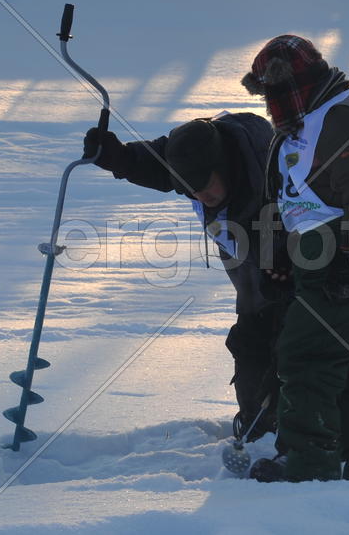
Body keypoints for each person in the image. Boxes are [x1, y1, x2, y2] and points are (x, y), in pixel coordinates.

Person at [240, 35, 349, 482]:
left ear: (289, 85)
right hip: (331, 257)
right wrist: (283, 248)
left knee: (305, 352)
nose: (267, 104)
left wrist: (347, 262)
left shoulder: (341, 118)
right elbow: (295, 195)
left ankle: (307, 463)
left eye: (270, 94)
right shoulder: (309, 118)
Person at [82, 112, 292, 441]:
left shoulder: (271, 176)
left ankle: (296, 438)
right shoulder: (199, 152)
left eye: (205, 187)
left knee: (292, 354)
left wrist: (280, 268)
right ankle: (256, 430)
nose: (199, 197)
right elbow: (160, 161)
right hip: (252, 278)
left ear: (224, 168)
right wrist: (121, 159)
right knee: (249, 344)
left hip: (298, 275)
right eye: (190, 190)